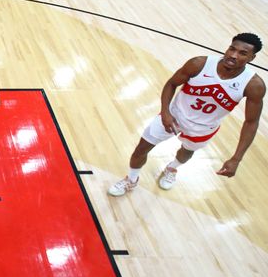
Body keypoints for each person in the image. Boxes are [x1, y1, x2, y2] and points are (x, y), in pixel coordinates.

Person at [108, 33, 264, 196]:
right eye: (232, 49)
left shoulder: (253, 85)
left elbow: (251, 122)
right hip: (174, 115)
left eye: (242, 53)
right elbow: (172, 84)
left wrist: (236, 158)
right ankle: (131, 180)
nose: (233, 55)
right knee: (141, 149)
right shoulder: (199, 64)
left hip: (204, 128)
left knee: (186, 152)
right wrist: (165, 113)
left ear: (251, 58)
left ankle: (172, 168)